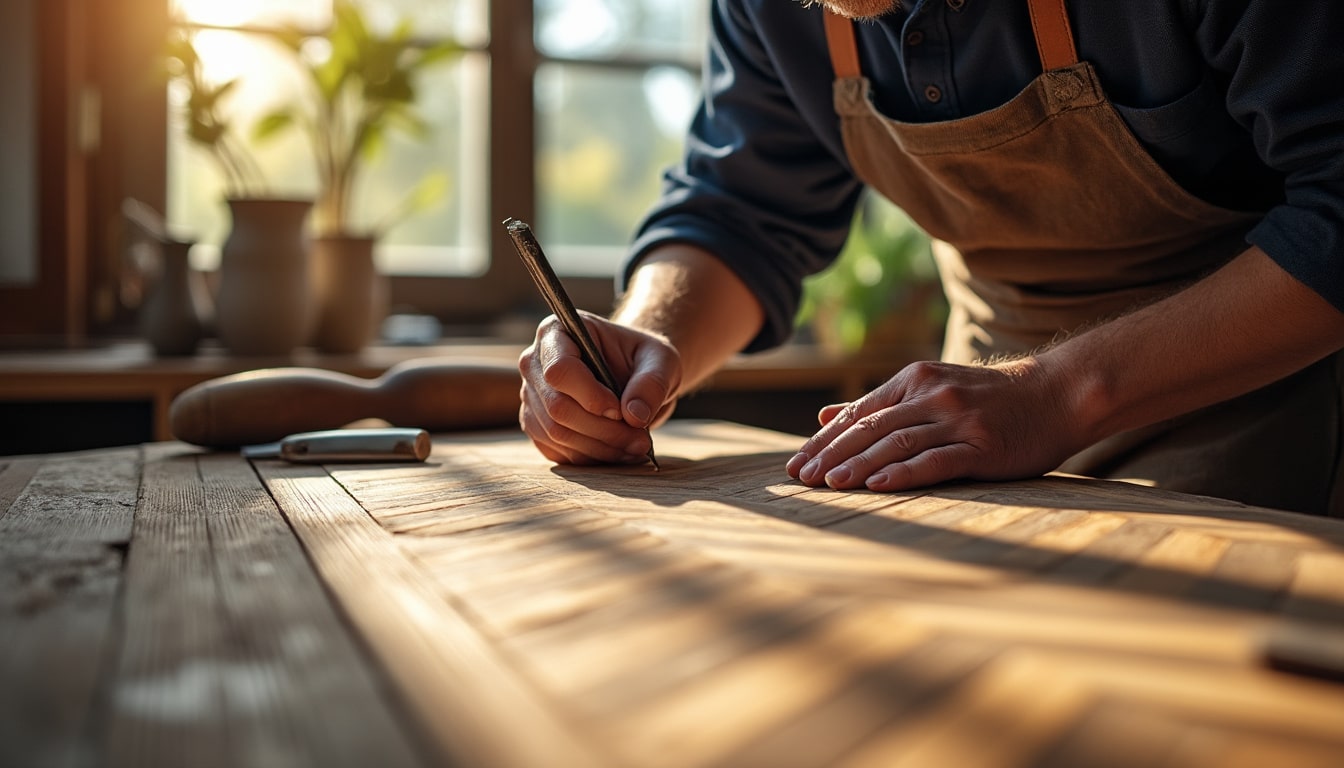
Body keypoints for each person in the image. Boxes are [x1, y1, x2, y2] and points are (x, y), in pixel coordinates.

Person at [518, 0, 1344, 515]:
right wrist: (642, 341)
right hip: (981, 421)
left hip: (1269, 391)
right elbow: (741, 209)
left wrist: (1055, 395)